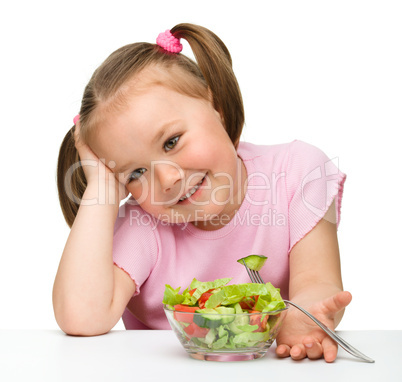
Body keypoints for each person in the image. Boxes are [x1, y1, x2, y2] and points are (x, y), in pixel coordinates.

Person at [53, 23, 352, 363]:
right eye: (135, 173)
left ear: (215, 104)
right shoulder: (144, 225)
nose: (166, 179)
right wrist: (102, 186)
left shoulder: (300, 171)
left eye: (171, 141)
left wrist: (305, 317)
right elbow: (80, 316)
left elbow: (317, 279)